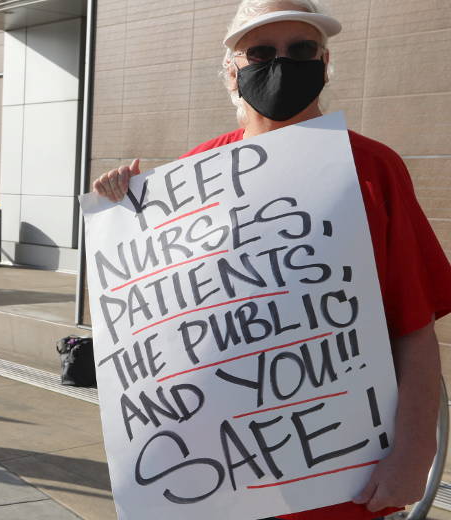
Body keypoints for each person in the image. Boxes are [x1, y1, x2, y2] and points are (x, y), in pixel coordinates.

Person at [91, 1, 451, 519]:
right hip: (212, 482)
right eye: (260, 52)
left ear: (325, 64)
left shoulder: (373, 169)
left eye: (300, 50)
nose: (281, 63)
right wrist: (119, 215)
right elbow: (148, 321)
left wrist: (414, 455)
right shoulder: (193, 175)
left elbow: (413, 327)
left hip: (340, 480)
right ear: (233, 73)